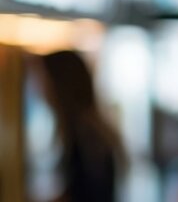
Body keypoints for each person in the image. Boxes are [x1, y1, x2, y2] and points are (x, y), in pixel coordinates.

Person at [39, 50, 127, 202]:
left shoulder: (85, 136)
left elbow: (86, 193)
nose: (40, 89)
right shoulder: (92, 130)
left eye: (43, 80)